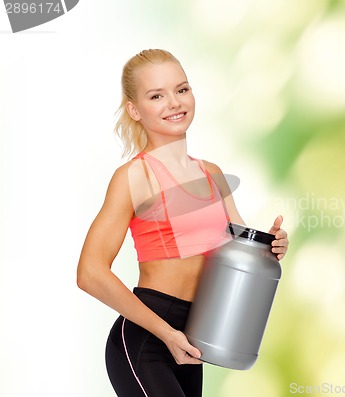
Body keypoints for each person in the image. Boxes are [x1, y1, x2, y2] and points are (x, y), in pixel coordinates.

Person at [76, 49, 289, 397]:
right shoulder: (134, 176)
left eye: (182, 89)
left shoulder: (212, 174)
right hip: (147, 339)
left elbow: (238, 255)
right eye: (156, 96)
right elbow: (90, 273)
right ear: (134, 109)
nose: (173, 103)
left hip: (194, 339)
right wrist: (166, 333)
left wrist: (272, 245)